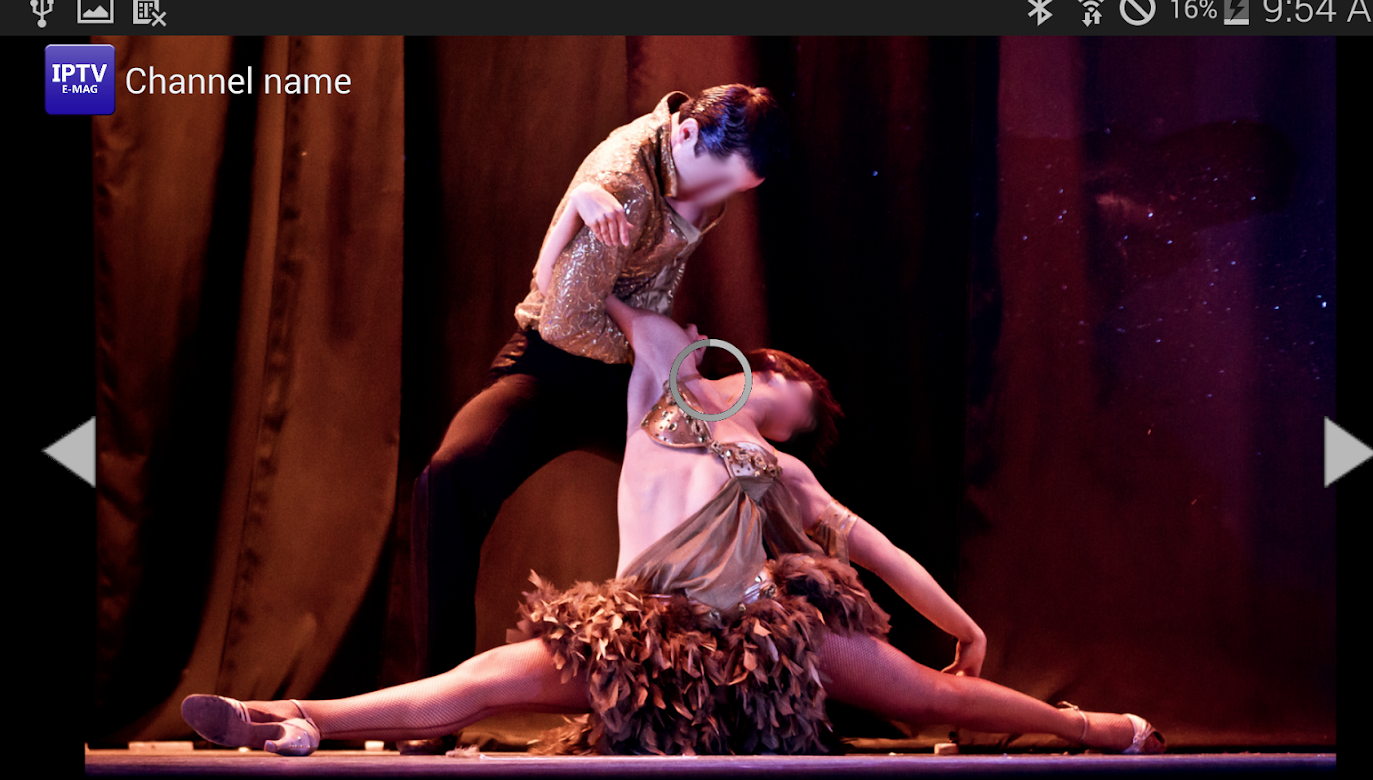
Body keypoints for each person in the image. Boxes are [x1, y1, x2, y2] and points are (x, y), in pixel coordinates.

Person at [181, 298, 1166, 757]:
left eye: (800, 422)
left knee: (928, 689)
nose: (799, 422)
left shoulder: (773, 464)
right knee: (473, 682)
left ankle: (1096, 727)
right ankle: (290, 716)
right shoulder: (666, 396)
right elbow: (628, 306)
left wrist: (965, 625)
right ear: (771, 372)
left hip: (755, 639)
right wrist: (616, 216)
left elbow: (879, 551)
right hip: (639, 638)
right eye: (801, 402)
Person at [412, 84, 789, 681]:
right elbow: (565, 322)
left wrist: (657, 345)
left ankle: (782, 675)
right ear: (686, 133)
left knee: (747, 478)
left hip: (633, 372)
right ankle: (438, 695)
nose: (715, 200)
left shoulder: (695, 163)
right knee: (450, 477)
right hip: (553, 366)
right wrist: (656, 341)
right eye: (716, 181)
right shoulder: (624, 182)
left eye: (731, 190)